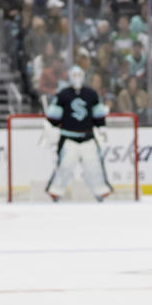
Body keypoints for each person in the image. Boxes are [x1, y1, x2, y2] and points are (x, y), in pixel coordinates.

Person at [44, 65, 112, 202]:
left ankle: (101, 190)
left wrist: (101, 126)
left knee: (94, 165)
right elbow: (53, 116)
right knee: (64, 166)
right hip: (68, 138)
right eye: (74, 75)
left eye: (79, 75)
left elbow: (98, 113)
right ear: (70, 77)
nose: (77, 78)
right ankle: (55, 191)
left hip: (88, 137)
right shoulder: (63, 94)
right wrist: (51, 126)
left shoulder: (91, 94)